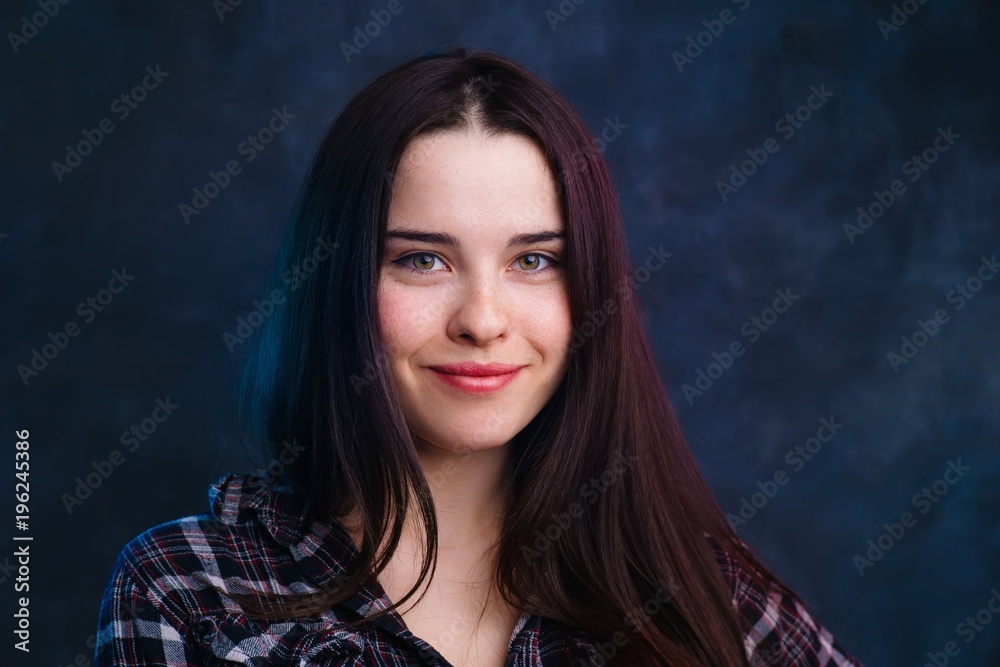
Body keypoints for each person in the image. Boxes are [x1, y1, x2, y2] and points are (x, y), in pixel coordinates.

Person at [95, 45, 864, 667]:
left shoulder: (703, 594)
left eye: (534, 261)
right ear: (337, 282)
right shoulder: (191, 591)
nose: (483, 320)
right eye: (423, 260)